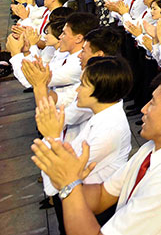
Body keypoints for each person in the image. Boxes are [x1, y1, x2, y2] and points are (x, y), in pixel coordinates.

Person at [31, 65, 161, 235]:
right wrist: (69, 180)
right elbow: (102, 195)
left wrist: (68, 184)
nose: (144, 109)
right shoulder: (152, 148)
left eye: (152, 103)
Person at [35, 56, 133, 233]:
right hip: (82, 195)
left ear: (100, 90)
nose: (77, 90)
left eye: (83, 85)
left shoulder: (110, 129)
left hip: (93, 206)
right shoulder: (102, 116)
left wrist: (52, 136)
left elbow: (64, 171)